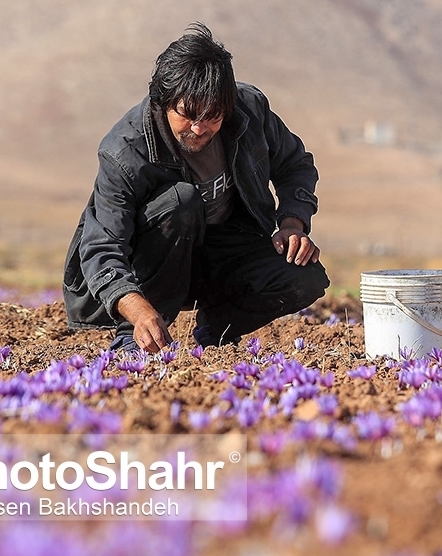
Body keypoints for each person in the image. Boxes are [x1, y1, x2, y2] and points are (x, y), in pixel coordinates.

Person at [63, 23, 329, 353]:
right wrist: (138, 311)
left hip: (223, 252)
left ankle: (215, 330)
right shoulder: (125, 151)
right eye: (188, 114)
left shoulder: (249, 111)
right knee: (181, 201)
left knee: (306, 277)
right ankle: (134, 339)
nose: (199, 128)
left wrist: (292, 224)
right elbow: (101, 249)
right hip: (152, 268)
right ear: (163, 100)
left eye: (213, 116)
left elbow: (295, 165)